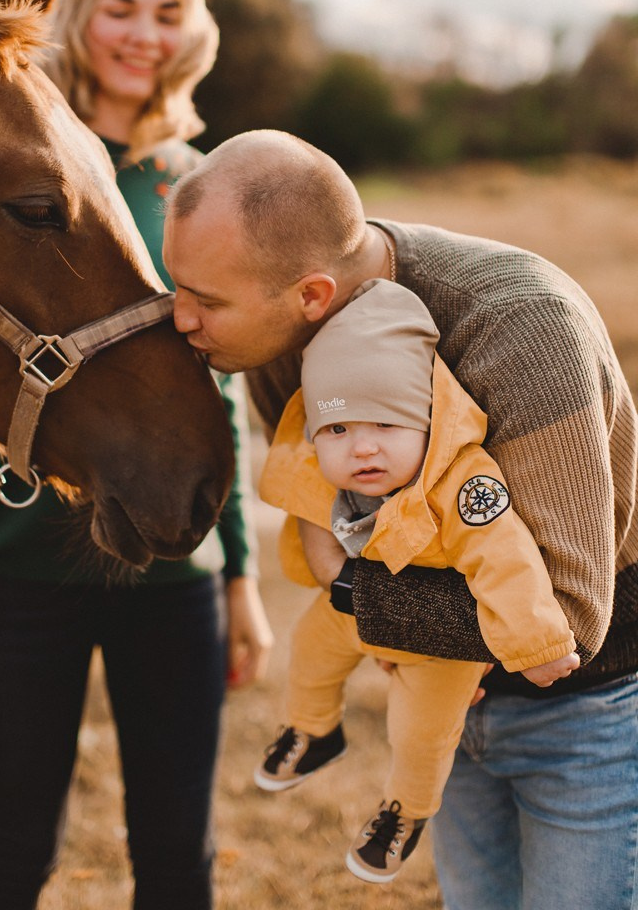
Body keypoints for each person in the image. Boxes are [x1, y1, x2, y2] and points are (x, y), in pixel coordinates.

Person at [162, 129, 638, 910]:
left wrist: (364, 609)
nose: (179, 319)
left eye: (205, 301)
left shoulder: (521, 327)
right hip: (441, 708)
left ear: (313, 293)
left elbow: (567, 624)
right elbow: (320, 513)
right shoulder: (284, 336)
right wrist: (395, 621)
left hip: (588, 713)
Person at [0, 0, 273, 910]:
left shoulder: (202, 183)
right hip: (16, 562)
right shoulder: (14, 164)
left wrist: (239, 578)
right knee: (16, 847)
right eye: (121, 8)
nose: (144, 34)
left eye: (167, 12)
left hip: (173, 571)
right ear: (77, 14)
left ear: (193, 30)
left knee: (177, 856)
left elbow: (211, 388)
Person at [253, 277, 577, 882]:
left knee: (419, 733)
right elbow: (303, 506)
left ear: (427, 423)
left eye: (386, 425)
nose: (363, 449)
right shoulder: (322, 466)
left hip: (439, 642)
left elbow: (504, 560)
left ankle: (406, 810)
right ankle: (314, 730)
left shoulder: (461, 484)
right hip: (361, 607)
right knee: (309, 649)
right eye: (339, 429)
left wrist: (538, 644)